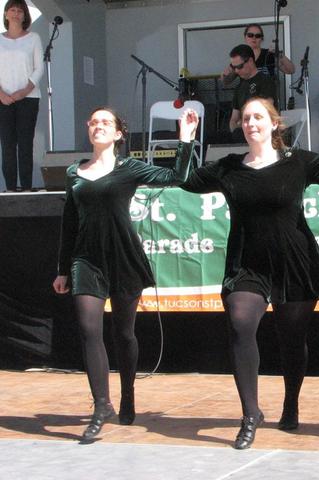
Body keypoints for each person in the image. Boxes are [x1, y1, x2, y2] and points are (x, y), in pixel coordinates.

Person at [181, 97, 319, 450]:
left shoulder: (297, 161)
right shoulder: (229, 167)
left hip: (294, 261)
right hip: (247, 263)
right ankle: (250, 414)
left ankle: (291, 402)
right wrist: (187, 140)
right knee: (239, 322)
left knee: (291, 338)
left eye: (258, 117)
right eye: (247, 118)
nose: (251, 123)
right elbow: (186, 181)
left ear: (273, 124)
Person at [52, 107, 198, 441]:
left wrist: (185, 140)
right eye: (93, 122)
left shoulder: (129, 168)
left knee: (124, 334)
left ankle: (128, 391)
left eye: (105, 122)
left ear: (119, 134)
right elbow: (69, 223)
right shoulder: (75, 172)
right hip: (86, 260)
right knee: (89, 329)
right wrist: (62, 269)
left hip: (123, 257)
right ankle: (101, 404)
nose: (97, 126)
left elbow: (175, 177)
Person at [0, 0, 43, 192]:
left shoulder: (33, 38)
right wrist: (2, 94)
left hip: (28, 98)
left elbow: (39, 67)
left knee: (25, 145)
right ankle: (10, 189)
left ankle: (26, 188)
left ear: (25, 15)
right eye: (12, 10)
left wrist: (24, 91)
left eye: (20, 11)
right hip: (3, 99)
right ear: (6, 14)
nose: (16, 13)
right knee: (7, 146)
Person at [226, 44, 277, 142]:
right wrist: (236, 132)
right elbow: (233, 119)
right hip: (242, 135)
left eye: (239, 66)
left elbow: (265, 111)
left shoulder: (265, 81)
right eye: (234, 67)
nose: (236, 71)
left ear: (250, 61)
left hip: (261, 136)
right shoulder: (239, 87)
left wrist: (243, 125)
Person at [221, 23, 295, 87]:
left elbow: (290, 70)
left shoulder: (269, 54)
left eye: (258, 35)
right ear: (245, 37)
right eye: (250, 35)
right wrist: (225, 74)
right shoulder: (240, 57)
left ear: (261, 38)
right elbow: (226, 81)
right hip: (247, 99)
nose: (254, 38)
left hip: (267, 98)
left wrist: (279, 54)